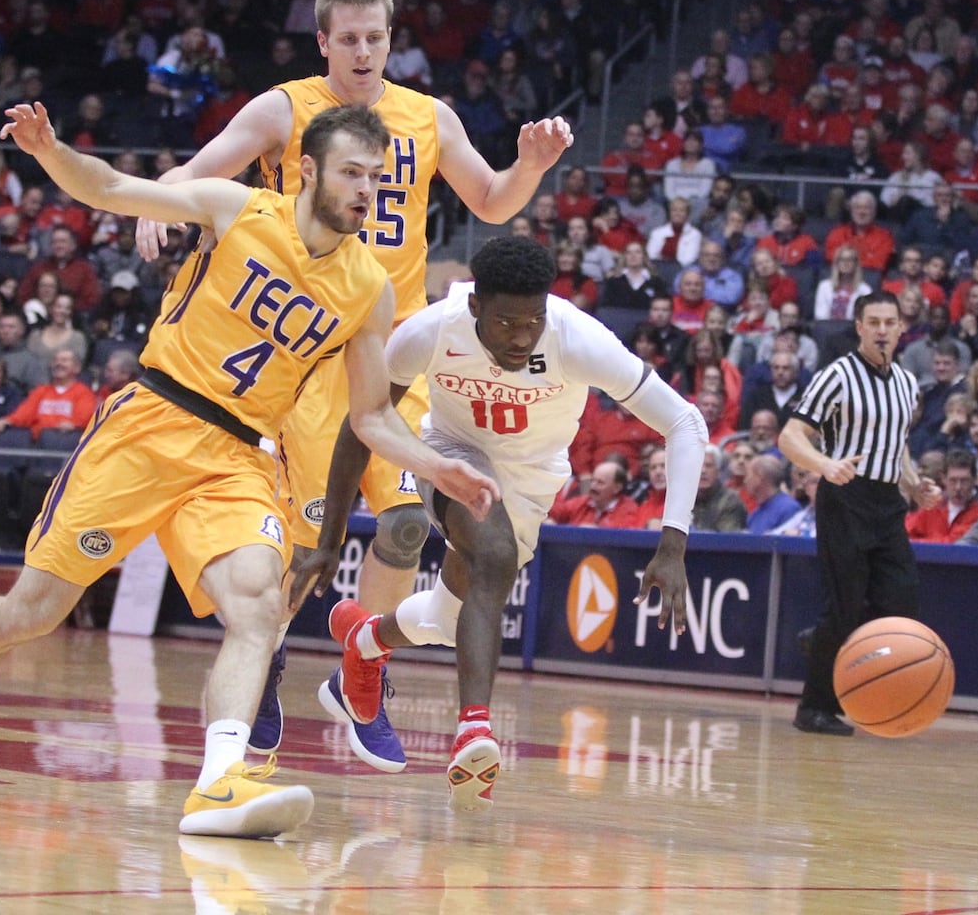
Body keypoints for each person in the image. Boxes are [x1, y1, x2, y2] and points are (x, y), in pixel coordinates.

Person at [0, 101, 498, 839]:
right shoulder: (235, 209)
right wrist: (49, 149)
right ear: (306, 171)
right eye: (352, 173)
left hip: (236, 455)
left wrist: (437, 469)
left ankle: (218, 784)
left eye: (377, 179)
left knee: (261, 605)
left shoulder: (368, 287)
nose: (366, 190)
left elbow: (370, 417)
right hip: (150, 424)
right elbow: (110, 187)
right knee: (29, 615)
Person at [135, 0, 572, 771]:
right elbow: (199, 173)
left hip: (395, 356)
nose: (365, 51)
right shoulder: (284, 108)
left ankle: (359, 672)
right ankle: (262, 668)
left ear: (390, 39)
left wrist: (531, 165)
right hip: (307, 354)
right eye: (349, 39)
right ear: (324, 43)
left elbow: (493, 201)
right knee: (304, 545)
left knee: (406, 526)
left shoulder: (428, 117)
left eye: (376, 38)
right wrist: (152, 205)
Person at [301, 236, 704, 811]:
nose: (521, 336)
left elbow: (684, 423)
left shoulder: (577, 338)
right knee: (491, 555)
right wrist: (330, 538)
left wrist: (673, 541)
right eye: (507, 322)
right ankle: (474, 728)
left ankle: (364, 643)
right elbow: (361, 423)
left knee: (447, 618)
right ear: (474, 308)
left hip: (533, 482)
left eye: (532, 322)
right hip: (452, 454)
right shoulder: (432, 330)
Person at [780, 290, 941, 735]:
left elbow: (897, 444)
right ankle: (813, 708)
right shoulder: (837, 375)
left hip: (888, 502)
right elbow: (791, 437)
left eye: (890, 322)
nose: (883, 330)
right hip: (845, 498)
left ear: (901, 328)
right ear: (859, 327)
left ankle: (823, 643)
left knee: (902, 600)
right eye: (874, 322)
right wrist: (825, 465)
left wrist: (914, 485)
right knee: (844, 606)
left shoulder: (908, 384)